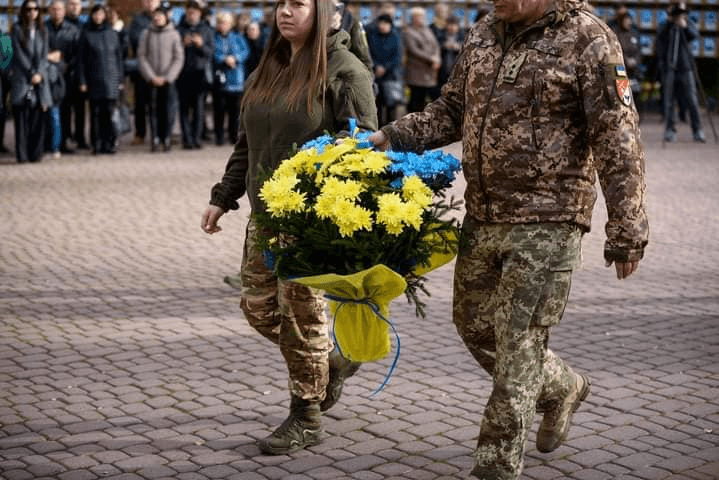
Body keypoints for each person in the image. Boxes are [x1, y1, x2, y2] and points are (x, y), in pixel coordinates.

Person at [367, 0, 649, 476]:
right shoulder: (483, 33)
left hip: (551, 216)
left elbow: (616, 134)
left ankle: (495, 464)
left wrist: (627, 227)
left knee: (519, 342)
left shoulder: (588, 37)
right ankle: (561, 387)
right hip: (484, 213)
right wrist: (390, 138)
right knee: (475, 326)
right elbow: (452, 109)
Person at [200, 0, 377, 456]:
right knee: (258, 307)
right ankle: (329, 361)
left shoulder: (345, 71)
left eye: (298, 3)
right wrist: (224, 197)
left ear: (321, 12)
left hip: (310, 219)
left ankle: (306, 416)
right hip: (265, 214)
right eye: (280, 3)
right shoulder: (271, 65)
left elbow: (365, 147)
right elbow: (248, 139)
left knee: (301, 319)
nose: (285, 11)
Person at [8, 0, 52, 163]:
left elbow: (44, 55)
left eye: (35, 9)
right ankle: (23, 155)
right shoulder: (17, 29)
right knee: (22, 120)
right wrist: (31, 73)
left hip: (39, 80)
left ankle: (35, 154)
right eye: (28, 9)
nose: (32, 12)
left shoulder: (43, 30)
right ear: (23, 11)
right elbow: (19, 56)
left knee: (37, 118)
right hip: (23, 79)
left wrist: (40, 73)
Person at [655, 2, 705, 143]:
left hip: (685, 67)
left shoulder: (687, 24)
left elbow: (695, 36)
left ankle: (698, 130)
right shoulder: (665, 25)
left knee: (692, 100)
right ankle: (670, 130)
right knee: (669, 101)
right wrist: (670, 24)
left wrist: (684, 27)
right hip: (669, 68)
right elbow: (660, 40)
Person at [137, 2, 184, 152]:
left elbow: (179, 58)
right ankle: (155, 138)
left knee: (168, 110)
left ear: (166, 17)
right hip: (151, 80)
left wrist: (168, 77)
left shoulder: (174, 34)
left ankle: (166, 138)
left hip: (168, 81)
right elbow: (142, 56)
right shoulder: (147, 34)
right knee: (153, 110)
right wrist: (151, 76)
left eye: (160, 15)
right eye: (155, 15)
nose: (157, 18)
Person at [78, 4, 124, 155]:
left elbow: (118, 58)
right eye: (95, 14)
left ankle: (109, 144)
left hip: (111, 80)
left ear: (105, 16)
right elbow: (81, 60)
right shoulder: (86, 33)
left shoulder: (112, 33)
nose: (98, 17)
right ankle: (96, 144)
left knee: (109, 114)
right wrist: (83, 81)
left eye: (101, 14)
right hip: (94, 80)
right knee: (95, 114)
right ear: (91, 16)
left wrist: (120, 80)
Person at [177, 0, 213, 150]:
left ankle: (197, 139)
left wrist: (200, 45)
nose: (192, 14)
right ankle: (187, 139)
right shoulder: (178, 29)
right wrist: (182, 45)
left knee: (199, 109)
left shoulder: (206, 29)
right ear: (186, 12)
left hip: (200, 74)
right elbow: (173, 51)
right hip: (183, 73)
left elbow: (211, 52)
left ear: (199, 13)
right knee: (184, 109)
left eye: (195, 11)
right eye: (190, 11)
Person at [211, 11, 248, 146]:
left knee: (234, 111)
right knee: (219, 110)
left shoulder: (237, 37)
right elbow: (212, 52)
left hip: (236, 80)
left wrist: (236, 58)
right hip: (220, 79)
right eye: (220, 23)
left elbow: (245, 52)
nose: (223, 26)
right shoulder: (214, 38)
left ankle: (233, 136)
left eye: (226, 23)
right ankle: (219, 136)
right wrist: (224, 59)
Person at [127, 0, 160, 146]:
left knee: (160, 103)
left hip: (161, 69)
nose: (150, 3)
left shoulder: (166, 16)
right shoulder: (137, 19)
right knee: (140, 103)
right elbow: (133, 39)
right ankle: (140, 133)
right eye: (147, 0)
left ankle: (160, 133)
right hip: (142, 68)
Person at [45, 0, 75, 158]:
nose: (57, 12)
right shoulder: (43, 28)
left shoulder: (72, 30)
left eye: (59, 9)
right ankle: (46, 144)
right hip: (47, 75)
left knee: (65, 111)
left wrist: (64, 62)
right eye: (54, 9)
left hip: (65, 75)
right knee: (46, 110)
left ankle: (62, 143)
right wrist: (48, 57)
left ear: (64, 11)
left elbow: (77, 53)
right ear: (50, 10)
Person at [366, 13, 403, 127]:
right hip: (376, 75)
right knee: (377, 104)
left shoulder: (395, 37)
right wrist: (376, 66)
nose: (383, 26)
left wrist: (385, 68)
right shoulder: (372, 36)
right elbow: (368, 54)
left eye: (385, 23)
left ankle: (390, 130)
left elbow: (397, 57)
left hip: (391, 76)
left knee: (391, 105)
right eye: (381, 23)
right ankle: (377, 129)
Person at [402, 7, 440, 113]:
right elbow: (414, 50)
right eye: (417, 16)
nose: (419, 19)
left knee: (426, 100)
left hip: (429, 71)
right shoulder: (408, 31)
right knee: (415, 100)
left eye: (421, 16)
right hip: (416, 71)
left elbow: (435, 45)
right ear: (412, 18)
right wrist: (431, 59)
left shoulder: (427, 29)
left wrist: (437, 58)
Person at [64, 0, 88, 149]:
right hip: (64, 72)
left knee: (80, 109)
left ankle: (80, 138)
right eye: (71, 4)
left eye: (77, 4)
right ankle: (65, 137)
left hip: (81, 73)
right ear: (66, 7)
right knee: (65, 108)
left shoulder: (84, 26)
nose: (74, 7)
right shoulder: (61, 24)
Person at [611, 11, 643, 116]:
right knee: (624, 99)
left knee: (636, 98)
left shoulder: (634, 34)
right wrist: (626, 60)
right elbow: (615, 51)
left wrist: (635, 61)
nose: (628, 22)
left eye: (629, 20)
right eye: (626, 20)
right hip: (622, 72)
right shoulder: (615, 34)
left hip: (635, 72)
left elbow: (638, 51)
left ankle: (636, 120)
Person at [437, 15, 464, 90]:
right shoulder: (440, 36)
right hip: (443, 70)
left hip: (458, 71)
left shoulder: (463, 37)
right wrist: (444, 46)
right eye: (450, 24)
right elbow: (435, 49)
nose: (452, 27)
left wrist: (458, 47)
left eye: (454, 25)